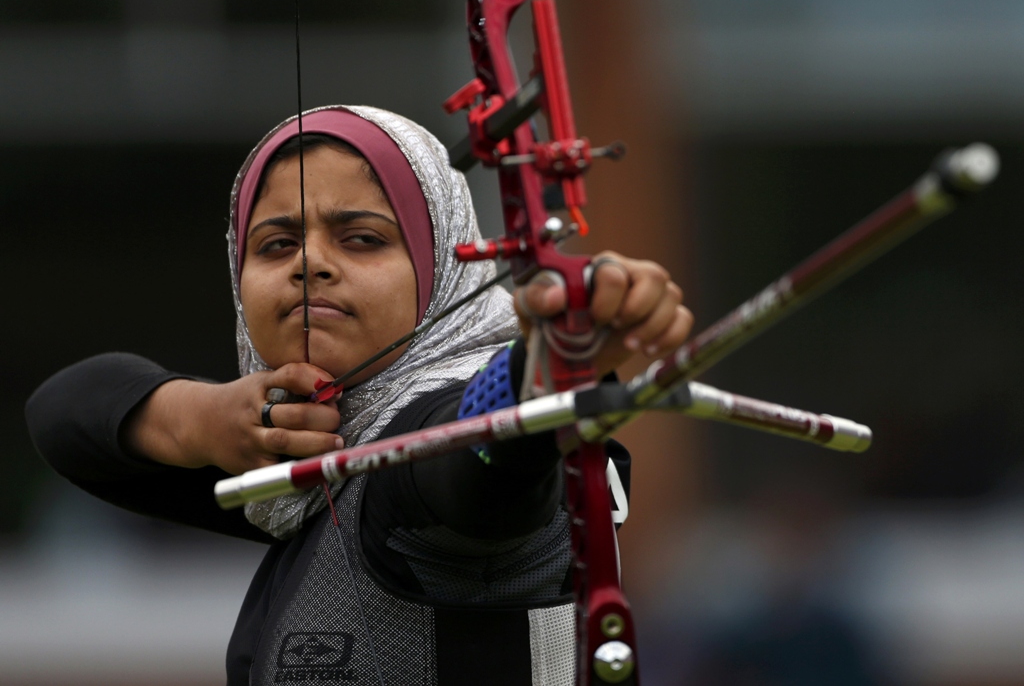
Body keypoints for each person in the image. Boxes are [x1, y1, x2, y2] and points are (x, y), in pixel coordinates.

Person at [26, 106, 693, 685]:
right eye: (276, 243)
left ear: (444, 270)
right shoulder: (308, 458)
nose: (308, 261)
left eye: (363, 238)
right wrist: (206, 421)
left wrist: (546, 368)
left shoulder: (418, 469)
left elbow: (479, 453)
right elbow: (63, 415)